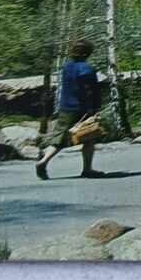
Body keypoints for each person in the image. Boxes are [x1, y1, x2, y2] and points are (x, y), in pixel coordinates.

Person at [36, 40, 102, 179]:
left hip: (66, 107)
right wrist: (94, 108)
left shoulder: (66, 67)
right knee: (89, 136)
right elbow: (91, 91)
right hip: (83, 108)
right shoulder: (87, 69)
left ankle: (44, 160)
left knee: (59, 138)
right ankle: (87, 169)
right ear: (87, 53)